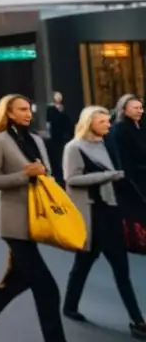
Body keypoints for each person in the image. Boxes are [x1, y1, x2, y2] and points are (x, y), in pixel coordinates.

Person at [0, 94, 65, 342]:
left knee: (15, 283)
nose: (28, 113)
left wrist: (43, 174)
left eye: (29, 109)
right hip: (14, 224)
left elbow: (47, 174)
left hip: (36, 218)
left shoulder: (37, 140)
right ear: (8, 113)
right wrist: (24, 175)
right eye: (21, 109)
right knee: (47, 289)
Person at [62, 106, 146, 337]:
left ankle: (137, 320)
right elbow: (72, 179)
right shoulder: (74, 148)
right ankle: (69, 306)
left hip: (111, 212)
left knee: (121, 269)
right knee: (83, 265)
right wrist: (107, 176)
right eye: (103, 122)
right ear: (90, 123)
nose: (108, 125)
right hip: (92, 214)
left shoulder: (107, 145)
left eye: (108, 122)